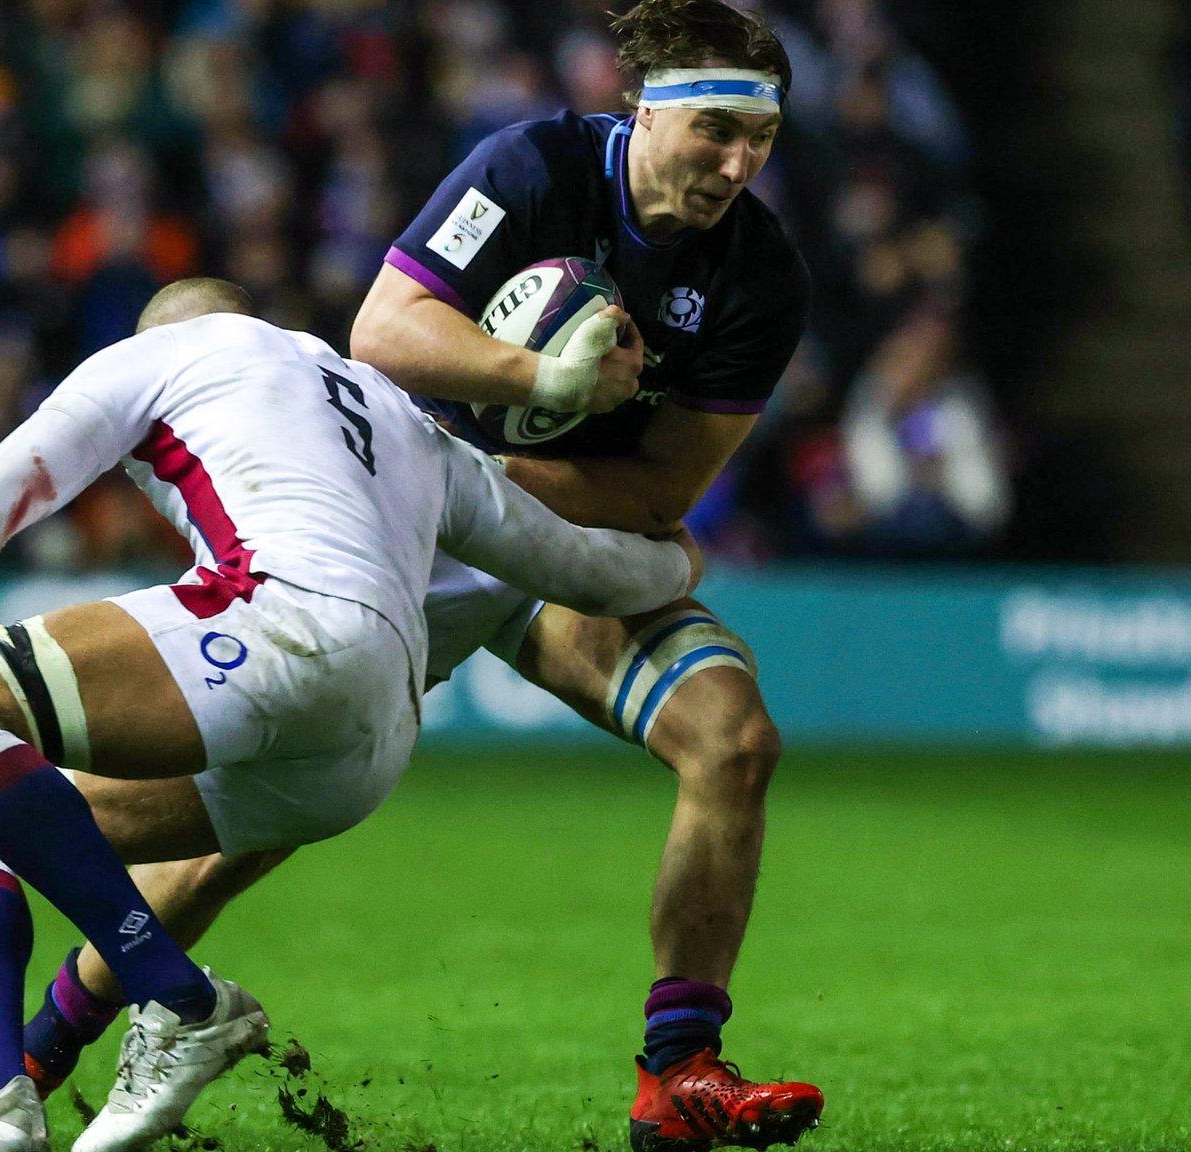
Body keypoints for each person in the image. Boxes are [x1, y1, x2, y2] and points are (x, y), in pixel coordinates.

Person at [43, 4, 826, 1150]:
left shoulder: (761, 274)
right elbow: (386, 335)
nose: (736, 162)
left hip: (553, 544)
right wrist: (539, 384)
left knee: (732, 738)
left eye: (757, 140)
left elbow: (661, 490)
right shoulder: (534, 166)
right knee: (244, 835)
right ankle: (32, 1050)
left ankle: (677, 1077)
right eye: (712, 130)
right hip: (396, 532)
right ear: (642, 103)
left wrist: (501, 475)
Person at [0, 278, 701, 1152]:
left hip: (281, 620)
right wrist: (673, 564)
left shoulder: (170, 351)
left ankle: (179, 1001)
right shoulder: (406, 420)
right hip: (369, 746)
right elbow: (583, 571)